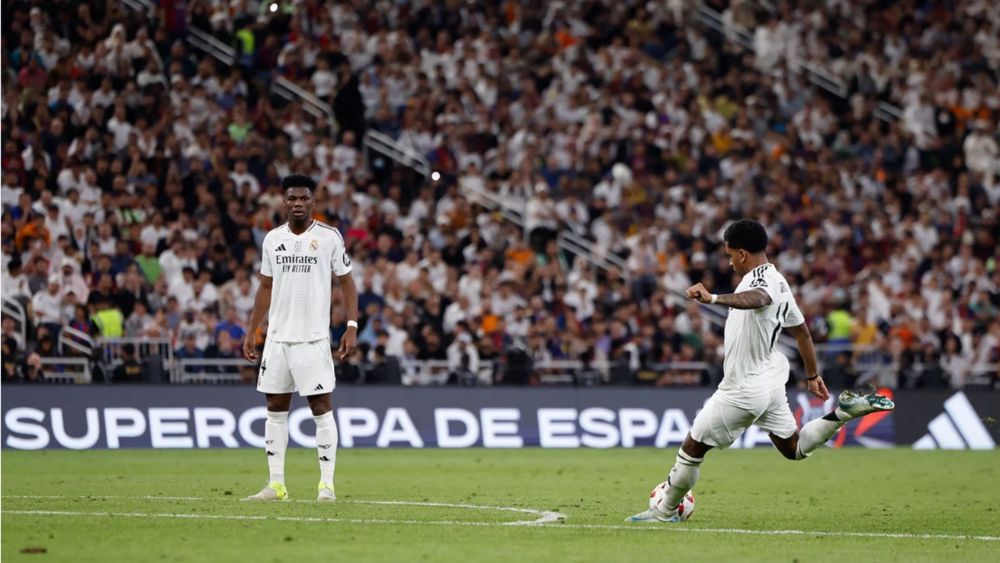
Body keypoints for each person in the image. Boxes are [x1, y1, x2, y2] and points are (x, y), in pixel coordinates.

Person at [626, 219, 894, 523]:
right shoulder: (780, 280)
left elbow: (758, 299)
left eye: (729, 256)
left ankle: (664, 511)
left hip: (744, 387)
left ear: (742, 254)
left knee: (691, 448)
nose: (729, 263)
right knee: (794, 448)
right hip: (770, 378)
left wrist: (713, 298)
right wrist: (812, 375)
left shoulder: (761, 284)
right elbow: (803, 333)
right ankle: (843, 413)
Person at [243, 174, 358, 502]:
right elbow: (265, 287)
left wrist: (351, 325)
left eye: (303, 199)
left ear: (313, 202)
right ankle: (276, 485)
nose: (297, 204)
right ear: (284, 201)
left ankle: (326, 485)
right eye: (291, 198)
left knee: (321, 407)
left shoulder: (329, 237)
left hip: (313, 339)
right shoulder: (272, 239)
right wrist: (252, 330)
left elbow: (348, 283)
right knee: (274, 407)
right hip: (278, 339)